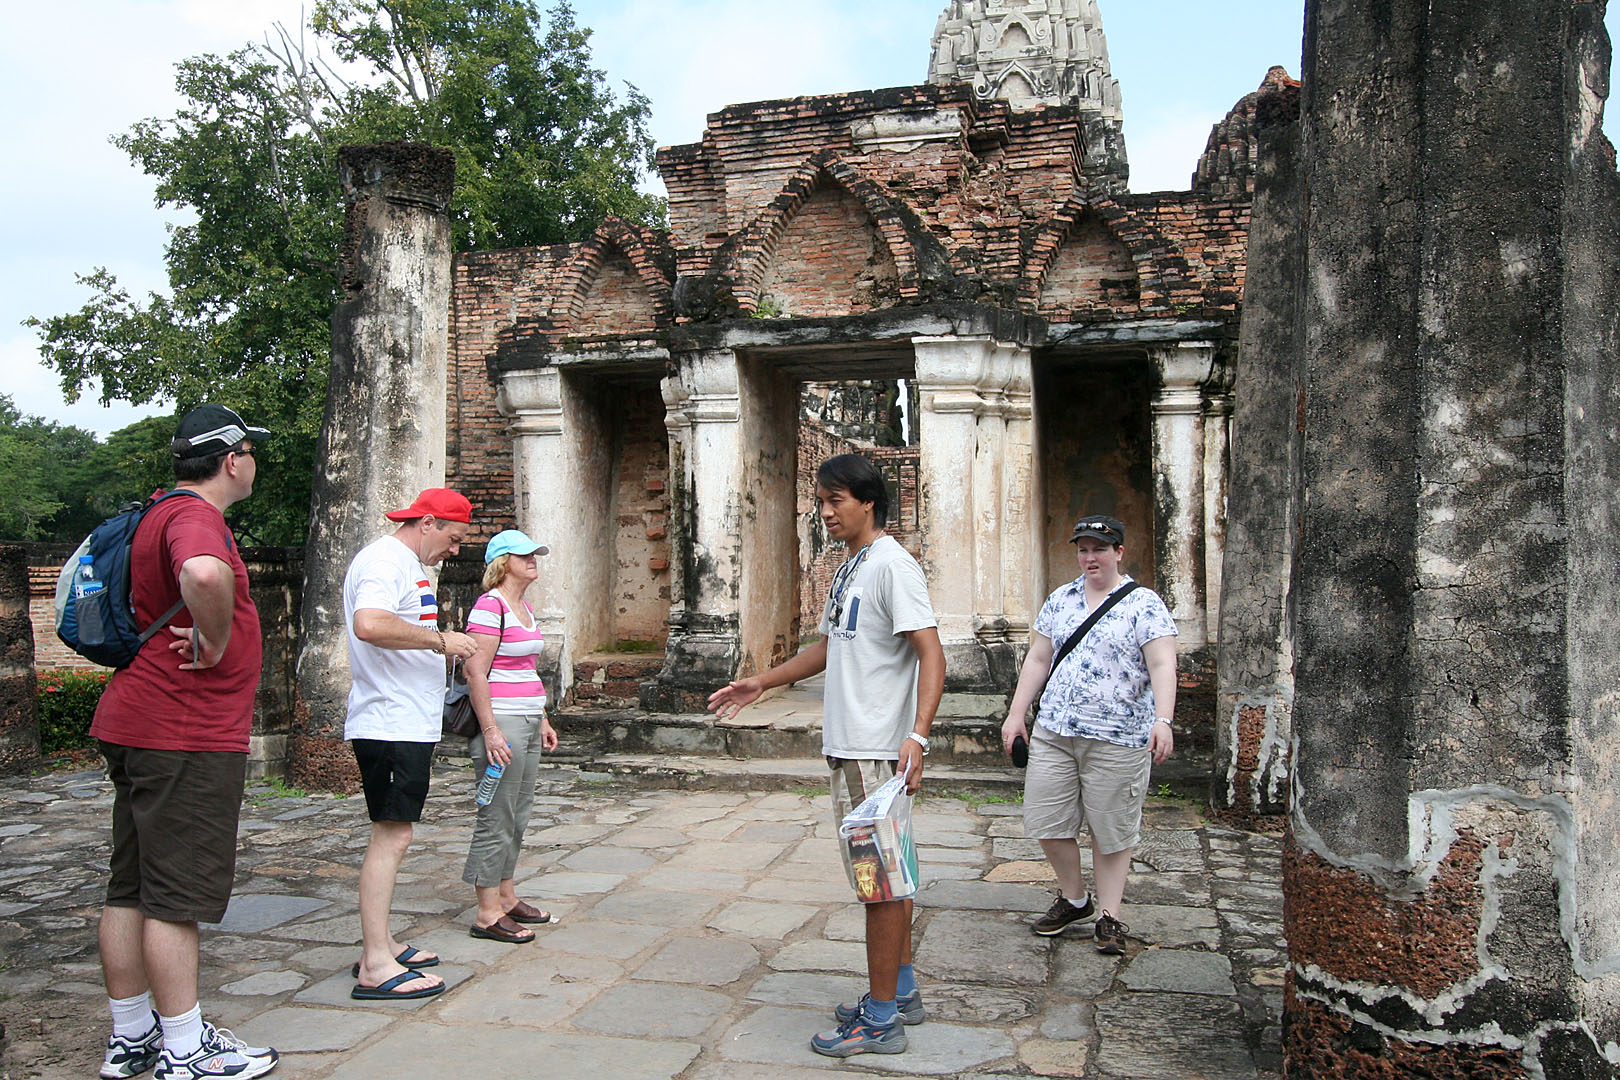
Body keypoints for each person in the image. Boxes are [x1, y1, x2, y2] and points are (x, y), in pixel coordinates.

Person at [709, 453, 944, 1059]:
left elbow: (932, 654)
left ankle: (882, 1016)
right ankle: (904, 990)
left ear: (868, 501)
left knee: (880, 885)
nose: (825, 512)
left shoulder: (893, 566)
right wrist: (762, 682)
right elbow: (827, 648)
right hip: (850, 745)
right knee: (892, 872)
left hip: (875, 750)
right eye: (821, 501)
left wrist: (916, 736)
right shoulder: (851, 568)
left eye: (835, 500)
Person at [92, 404, 280, 1080]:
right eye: (251, 452)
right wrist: (218, 637)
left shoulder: (155, 511)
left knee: (131, 888)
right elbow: (203, 575)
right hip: (182, 731)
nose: (254, 463)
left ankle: (131, 1035)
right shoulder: (197, 517)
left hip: (137, 720)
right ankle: (183, 1048)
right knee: (175, 897)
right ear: (232, 459)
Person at [1000, 515, 1177, 955]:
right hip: (1056, 730)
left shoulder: (1144, 604)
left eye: (1100, 548)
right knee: (1047, 820)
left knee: (1110, 828)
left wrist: (1164, 719)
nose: (1090, 557)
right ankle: (1075, 897)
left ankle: (1110, 916)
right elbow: (1039, 659)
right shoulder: (1061, 600)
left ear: (1119, 552)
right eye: (1083, 549)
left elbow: (1162, 665)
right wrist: (1016, 713)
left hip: (1117, 734)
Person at [342, 488, 478, 1000]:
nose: (455, 549)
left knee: (396, 834)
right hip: (389, 721)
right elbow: (370, 624)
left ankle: (383, 943)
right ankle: (375, 962)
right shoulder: (384, 560)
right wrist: (441, 640)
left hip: (405, 721)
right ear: (427, 522)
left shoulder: (404, 562)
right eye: (453, 537)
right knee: (392, 836)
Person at [462, 529, 559, 943]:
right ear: (503, 562)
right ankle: (486, 911)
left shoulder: (524, 607)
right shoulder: (490, 606)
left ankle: (506, 894)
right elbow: (474, 672)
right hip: (500, 720)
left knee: (518, 812)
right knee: (496, 813)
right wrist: (491, 731)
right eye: (525, 555)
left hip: (526, 718)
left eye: (535, 553)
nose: (534, 559)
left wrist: (543, 719)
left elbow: (526, 670)